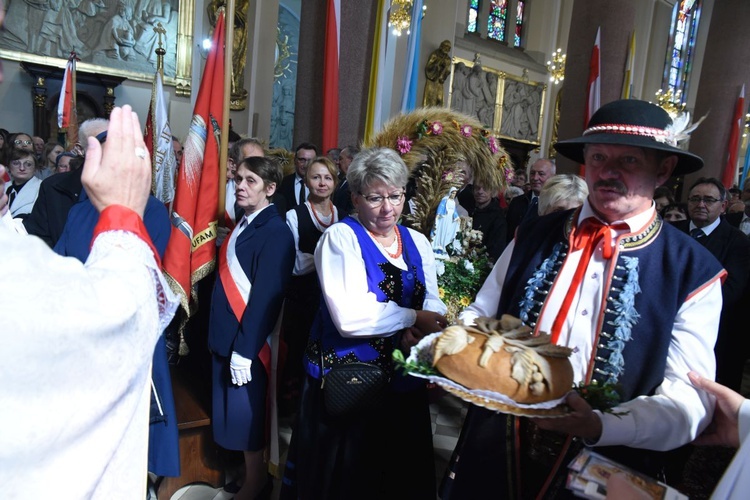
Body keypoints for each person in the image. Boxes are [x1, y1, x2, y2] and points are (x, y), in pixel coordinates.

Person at [440, 99, 725, 499]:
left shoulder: (692, 269)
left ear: (663, 170)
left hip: (608, 467)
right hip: (498, 448)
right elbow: (480, 314)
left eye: (628, 160)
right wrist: (456, 352)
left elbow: (690, 399)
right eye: (598, 158)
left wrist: (603, 425)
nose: (608, 172)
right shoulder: (534, 234)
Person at [0, 105, 179, 497]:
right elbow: (63, 265)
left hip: (127, 336)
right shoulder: (79, 211)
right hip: (81, 334)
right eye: (90, 148)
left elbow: (143, 283)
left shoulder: (150, 210)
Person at [280, 147, 448, 500]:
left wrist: (421, 326)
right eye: (375, 197)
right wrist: (413, 318)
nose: (388, 208)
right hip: (348, 385)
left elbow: (430, 297)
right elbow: (350, 316)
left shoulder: (416, 241)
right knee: (347, 483)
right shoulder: (341, 238)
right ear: (355, 197)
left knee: (396, 478)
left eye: (396, 196)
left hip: (401, 382)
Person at [208, 155, 295, 500]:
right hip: (226, 339)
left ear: (270, 189)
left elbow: (266, 298)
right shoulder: (245, 223)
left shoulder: (275, 232)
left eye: (251, 181)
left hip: (248, 346)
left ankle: (257, 482)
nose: (241, 186)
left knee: (248, 419)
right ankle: (248, 474)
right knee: (235, 417)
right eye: (239, 179)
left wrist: (244, 351)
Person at [673, 177, 750, 392]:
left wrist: (681, 303)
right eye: (695, 199)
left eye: (709, 200)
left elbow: (731, 290)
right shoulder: (670, 231)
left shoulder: (737, 242)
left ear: (723, 206)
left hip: (717, 333)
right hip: (666, 326)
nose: (701, 205)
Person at [280, 156, 340, 415]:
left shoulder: (343, 216)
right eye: (316, 177)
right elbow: (291, 263)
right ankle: (294, 410)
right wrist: (328, 256)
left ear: (335, 182)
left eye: (327, 177)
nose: (322, 183)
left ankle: (322, 406)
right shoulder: (294, 215)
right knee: (297, 355)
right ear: (306, 181)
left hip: (331, 302)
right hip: (301, 300)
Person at [505, 157, 556, 240]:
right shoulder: (516, 202)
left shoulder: (556, 206)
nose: (535, 178)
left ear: (552, 177)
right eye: (532, 173)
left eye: (541, 174)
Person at [471, 182, 507, 262]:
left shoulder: (497, 217)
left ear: (492, 191)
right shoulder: (470, 210)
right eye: (477, 188)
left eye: (485, 188)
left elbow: (496, 248)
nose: (480, 191)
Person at [278, 142, 318, 214]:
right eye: (302, 160)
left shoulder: (322, 185)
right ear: (295, 160)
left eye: (310, 160)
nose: (306, 165)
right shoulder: (283, 183)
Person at [5, 147, 41, 218]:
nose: (22, 168)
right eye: (16, 163)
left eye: (28, 164)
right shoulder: (3, 187)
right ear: (9, 167)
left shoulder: (42, 187)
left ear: (35, 168)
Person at [422, 40, 452, 107]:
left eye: (449, 48)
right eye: (445, 46)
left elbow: (444, 74)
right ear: (441, 46)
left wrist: (445, 71)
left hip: (439, 83)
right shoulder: (435, 55)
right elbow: (429, 67)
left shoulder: (448, 59)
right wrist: (438, 64)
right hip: (432, 81)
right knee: (430, 101)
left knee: (439, 99)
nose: (447, 49)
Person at [432, 186, 461, 254]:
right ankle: (438, 246)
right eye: (453, 193)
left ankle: (444, 247)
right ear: (450, 193)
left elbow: (454, 211)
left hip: (450, 220)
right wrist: (438, 214)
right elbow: (441, 207)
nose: (454, 195)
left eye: (455, 194)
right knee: (441, 232)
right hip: (444, 218)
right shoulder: (445, 200)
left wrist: (457, 218)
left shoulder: (453, 202)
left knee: (447, 232)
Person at [332, 145, 358, 216]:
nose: (338, 162)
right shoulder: (342, 180)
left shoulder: (357, 182)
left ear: (351, 160)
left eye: (341, 159)